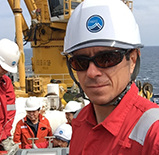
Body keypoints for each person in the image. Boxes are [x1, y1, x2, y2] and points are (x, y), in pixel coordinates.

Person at [62, 0, 159, 154]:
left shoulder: (154, 132)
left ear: (132, 60)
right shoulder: (80, 120)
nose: (92, 72)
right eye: (80, 62)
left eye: (107, 58)